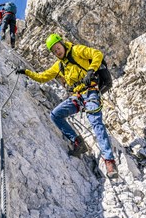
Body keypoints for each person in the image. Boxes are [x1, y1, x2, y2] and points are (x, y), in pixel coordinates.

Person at [16, 34, 118, 178]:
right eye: (54, 51)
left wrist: (90, 70)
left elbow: (97, 54)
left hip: (90, 92)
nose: (57, 52)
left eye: (58, 48)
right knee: (55, 115)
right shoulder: (59, 66)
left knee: (96, 123)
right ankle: (78, 142)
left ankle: (110, 161)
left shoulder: (76, 51)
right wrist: (26, 72)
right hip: (77, 96)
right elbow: (42, 77)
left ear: (62, 44)